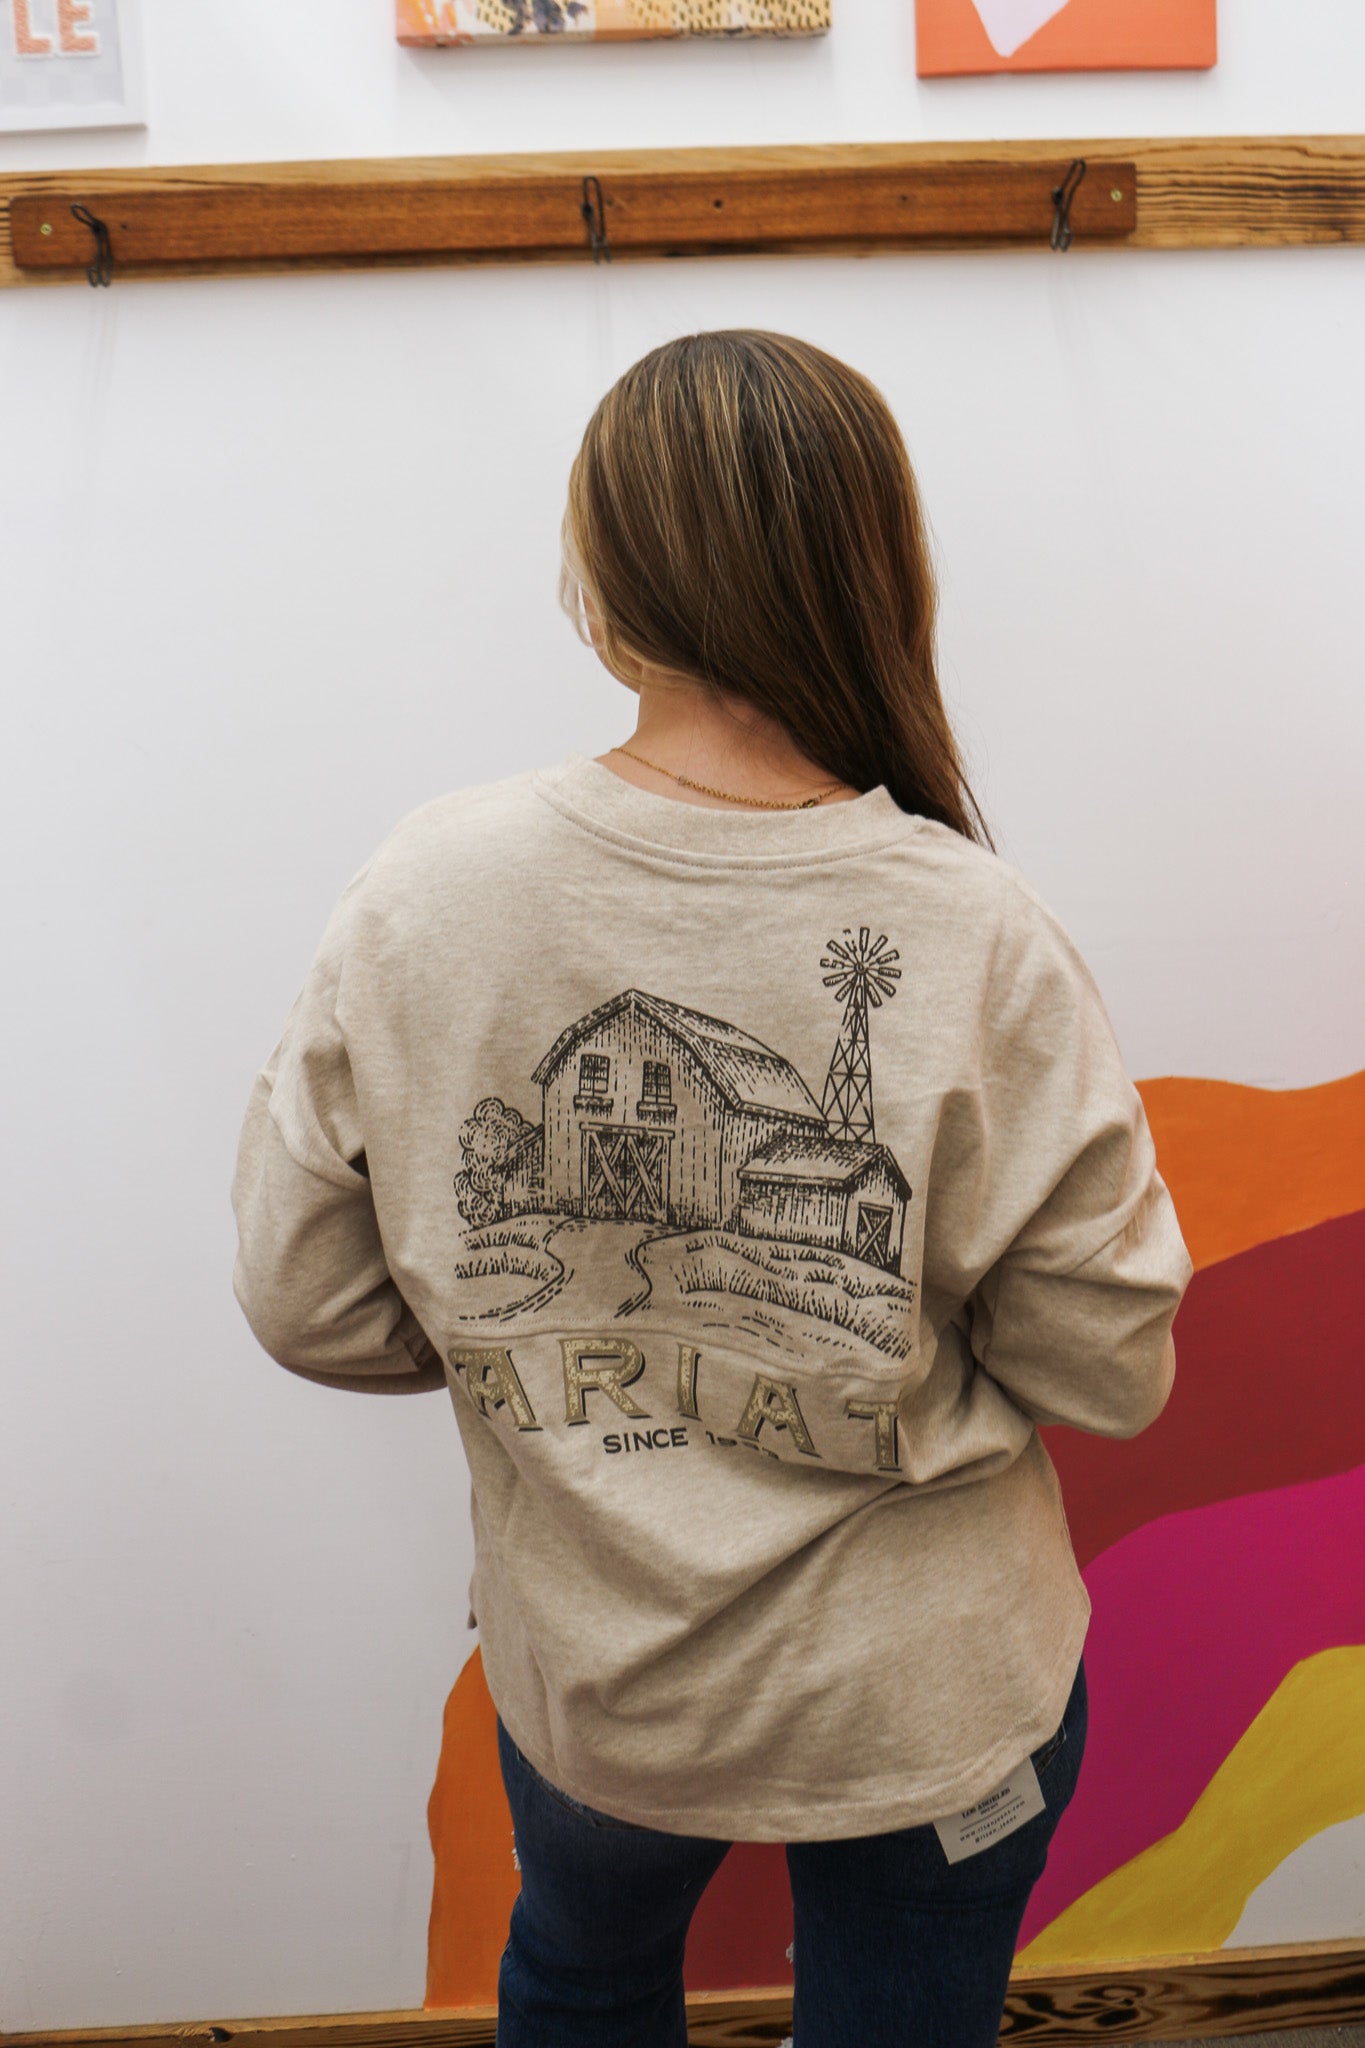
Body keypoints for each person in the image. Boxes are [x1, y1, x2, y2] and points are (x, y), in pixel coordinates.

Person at [231, 329, 1192, 2048]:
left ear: (601, 576)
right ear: (877, 570)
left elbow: (308, 1300)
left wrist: (541, 1353)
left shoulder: (427, 892)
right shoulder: (974, 928)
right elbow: (1105, 1363)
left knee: (581, 1979)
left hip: (602, 1679)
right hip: (921, 1692)